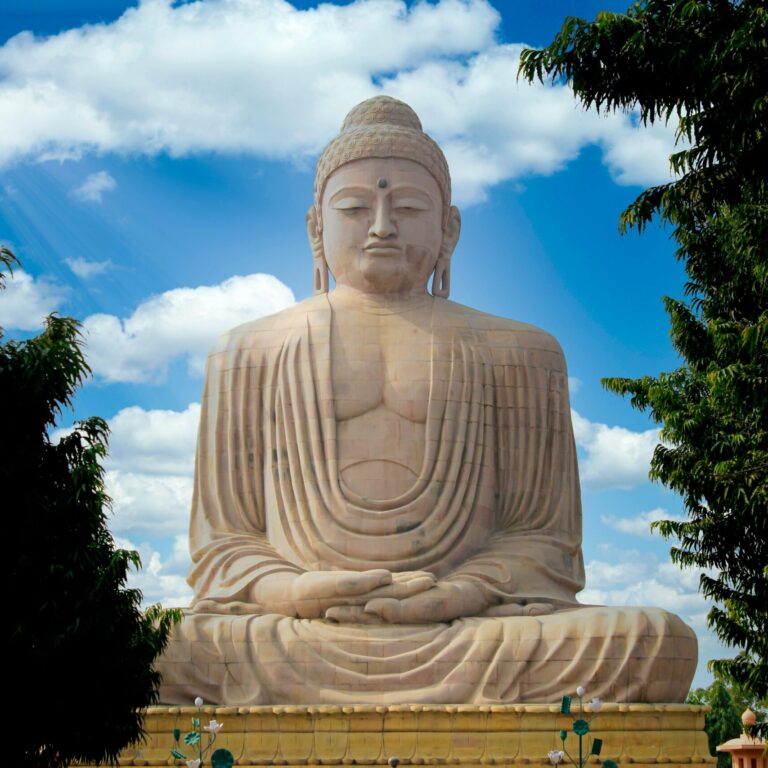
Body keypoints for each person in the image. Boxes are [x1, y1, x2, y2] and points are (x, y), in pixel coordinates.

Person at [156, 96, 696, 705]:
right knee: (150, 646)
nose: (382, 225)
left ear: (450, 227)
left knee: (654, 641)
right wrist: (294, 592)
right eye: (355, 208)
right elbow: (225, 547)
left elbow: (544, 543)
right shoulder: (246, 351)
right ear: (316, 226)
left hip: (472, 629)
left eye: (409, 207)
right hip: (300, 629)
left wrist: (458, 593)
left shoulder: (521, 351)